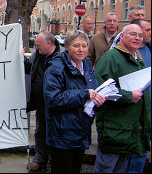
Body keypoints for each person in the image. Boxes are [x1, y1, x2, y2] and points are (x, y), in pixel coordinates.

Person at [43, 30, 106, 173]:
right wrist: (85, 95)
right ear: (66, 46)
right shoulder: (56, 68)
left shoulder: (87, 67)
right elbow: (53, 99)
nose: (81, 50)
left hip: (81, 132)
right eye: (76, 46)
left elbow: (92, 92)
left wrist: (99, 101)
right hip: (62, 136)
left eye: (84, 46)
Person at [93, 24, 150, 173]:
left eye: (140, 35)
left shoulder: (138, 58)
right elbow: (101, 90)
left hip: (130, 129)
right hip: (114, 128)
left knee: (122, 168)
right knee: (106, 168)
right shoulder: (110, 58)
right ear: (122, 36)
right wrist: (128, 96)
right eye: (133, 34)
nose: (137, 38)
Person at [24, 32, 64, 171]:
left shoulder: (62, 58)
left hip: (55, 105)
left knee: (54, 133)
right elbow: (30, 69)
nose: (36, 47)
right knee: (40, 132)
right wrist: (20, 58)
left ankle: (55, 161)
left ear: (49, 43)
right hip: (41, 104)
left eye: (38, 45)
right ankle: (40, 159)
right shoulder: (38, 55)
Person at [125, 19, 151, 173]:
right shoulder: (125, 54)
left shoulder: (149, 49)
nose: (148, 34)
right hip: (134, 112)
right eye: (146, 30)